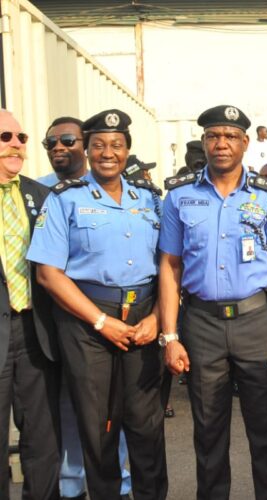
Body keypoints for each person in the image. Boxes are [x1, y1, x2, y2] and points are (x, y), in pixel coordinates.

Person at [159, 104, 267, 500]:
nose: (222, 144)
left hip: (257, 323)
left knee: (266, 436)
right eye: (214, 136)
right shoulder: (180, 197)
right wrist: (170, 337)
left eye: (231, 136)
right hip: (201, 325)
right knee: (208, 436)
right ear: (204, 142)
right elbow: (169, 266)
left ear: (245, 143)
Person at [28, 109, 168, 500]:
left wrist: (158, 317)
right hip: (87, 322)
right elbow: (49, 274)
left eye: (117, 145)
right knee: (97, 425)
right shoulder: (63, 200)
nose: (109, 152)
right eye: (99, 145)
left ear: (128, 151)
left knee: (146, 423)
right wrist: (101, 322)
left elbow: (169, 267)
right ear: (87, 151)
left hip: (143, 317)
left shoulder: (150, 199)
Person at [38, 116, 135, 500]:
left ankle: (120, 483)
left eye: (68, 140)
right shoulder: (43, 192)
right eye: (51, 143)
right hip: (62, 317)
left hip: (117, 313)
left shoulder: (138, 195)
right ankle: (72, 484)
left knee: (121, 409)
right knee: (72, 408)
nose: (60, 147)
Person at [0, 110, 60, 499]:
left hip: (35, 334)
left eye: (22, 138)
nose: (17, 145)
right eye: (6, 136)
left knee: (43, 442)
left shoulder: (41, 195)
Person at [38, 117, 87, 187]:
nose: (57, 147)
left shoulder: (102, 186)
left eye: (68, 140)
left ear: (86, 145)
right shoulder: (37, 189)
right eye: (51, 142)